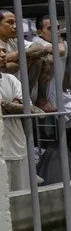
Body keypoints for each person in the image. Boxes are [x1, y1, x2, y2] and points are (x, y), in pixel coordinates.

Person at [0, 44, 38, 191]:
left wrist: (4, 104)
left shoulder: (11, 79)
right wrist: (15, 104)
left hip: (18, 146)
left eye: (4, 50)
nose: (4, 54)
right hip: (3, 149)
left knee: (22, 196)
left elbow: (30, 108)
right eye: (0, 51)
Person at [0, 10, 48, 103]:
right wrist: (22, 59)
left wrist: (17, 55)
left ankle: (29, 97)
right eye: (10, 22)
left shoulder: (13, 41)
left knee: (39, 59)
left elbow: (40, 48)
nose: (15, 26)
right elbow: (9, 68)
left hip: (19, 88)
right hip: (4, 90)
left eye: (16, 23)